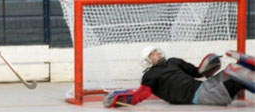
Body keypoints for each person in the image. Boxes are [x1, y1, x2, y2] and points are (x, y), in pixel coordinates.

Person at [103, 46, 255, 108]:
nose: (158, 54)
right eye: (153, 54)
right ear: (147, 60)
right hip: (200, 96)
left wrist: (210, 64)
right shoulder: (149, 76)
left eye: (158, 52)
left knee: (235, 68)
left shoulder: (173, 61)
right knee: (237, 75)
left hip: (203, 86)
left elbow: (198, 73)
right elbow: (139, 96)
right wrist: (117, 100)